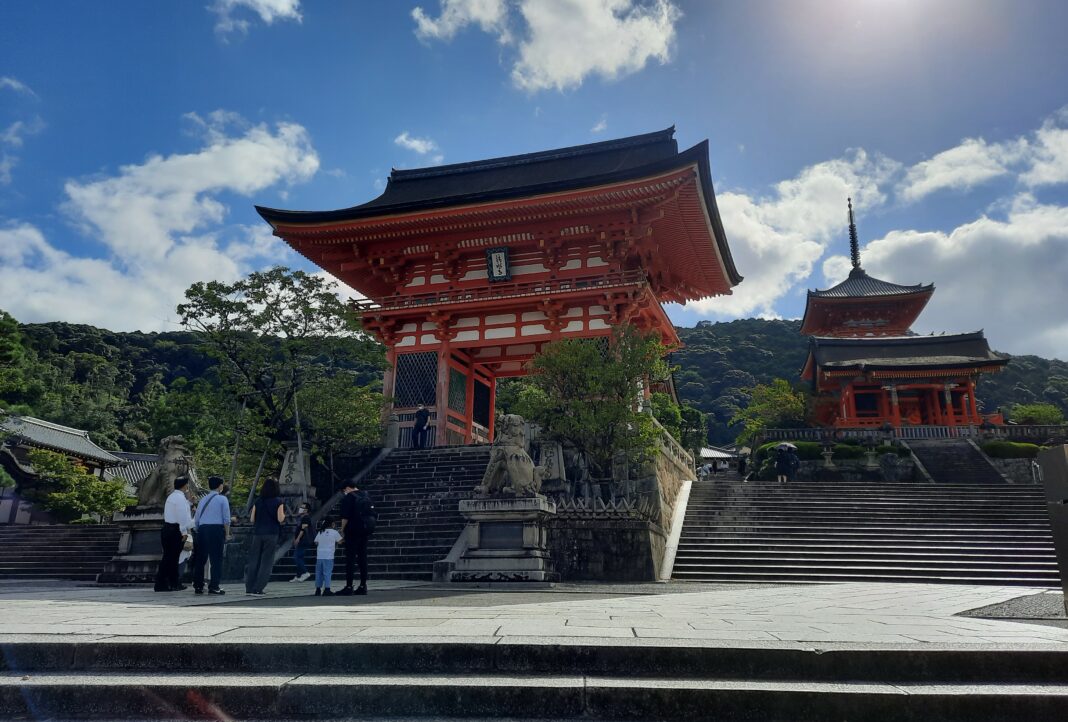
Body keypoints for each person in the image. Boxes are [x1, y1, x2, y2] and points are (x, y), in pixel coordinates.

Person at [245, 477, 285, 596]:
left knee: (254, 560)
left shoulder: (258, 501)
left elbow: (252, 519)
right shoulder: (278, 501)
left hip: (258, 533)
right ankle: (259, 588)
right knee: (266, 562)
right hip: (271, 533)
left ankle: (249, 587)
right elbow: (280, 518)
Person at [192, 475, 231, 595]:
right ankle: (214, 586)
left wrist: (199, 530)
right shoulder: (222, 499)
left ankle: (198, 586)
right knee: (216, 559)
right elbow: (226, 519)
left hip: (202, 530)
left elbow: (197, 518)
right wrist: (227, 533)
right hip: (216, 530)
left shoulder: (203, 500)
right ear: (220, 486)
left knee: (200, 559)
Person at [337, 479, 376, 596]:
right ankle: (363, 585)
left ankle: (349, 586)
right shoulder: (366, 495)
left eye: (344, 490)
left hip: (352, 531)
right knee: (362, 558)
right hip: (365, 529)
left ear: (347, 488)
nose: (344, 492)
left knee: (350, 559)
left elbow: (345, 517)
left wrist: (342, 530)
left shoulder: (349, 497)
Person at [154, 476, 193, 592]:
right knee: (171, 558)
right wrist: (184, 532)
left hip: (168, 528)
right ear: (185, 485)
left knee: (170, 557)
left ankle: (172, 582)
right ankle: (164, 583)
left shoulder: (172, 496)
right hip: (175, 530)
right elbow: (182, 518)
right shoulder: (180, 499)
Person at [313, 518, 342, 596]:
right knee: (327, 573)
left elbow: (316, 542)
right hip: (329, 556)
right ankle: (327, 589)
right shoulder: (335, 532)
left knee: (319, 573)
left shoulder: (320, 532)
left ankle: (318, 589)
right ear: (332, 524)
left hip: (319, 556)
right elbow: (340, 541)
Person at [289, 503, 312, 583]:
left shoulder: (306, 518)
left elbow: (303, 529)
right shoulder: (301, 518)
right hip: (301, 540)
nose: (300, 508)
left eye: (303, 507)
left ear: (306, 510)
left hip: (303, 540)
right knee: (299, 557)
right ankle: (298, 575)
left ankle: (305, 572)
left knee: (296, 557)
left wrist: (298, 538)